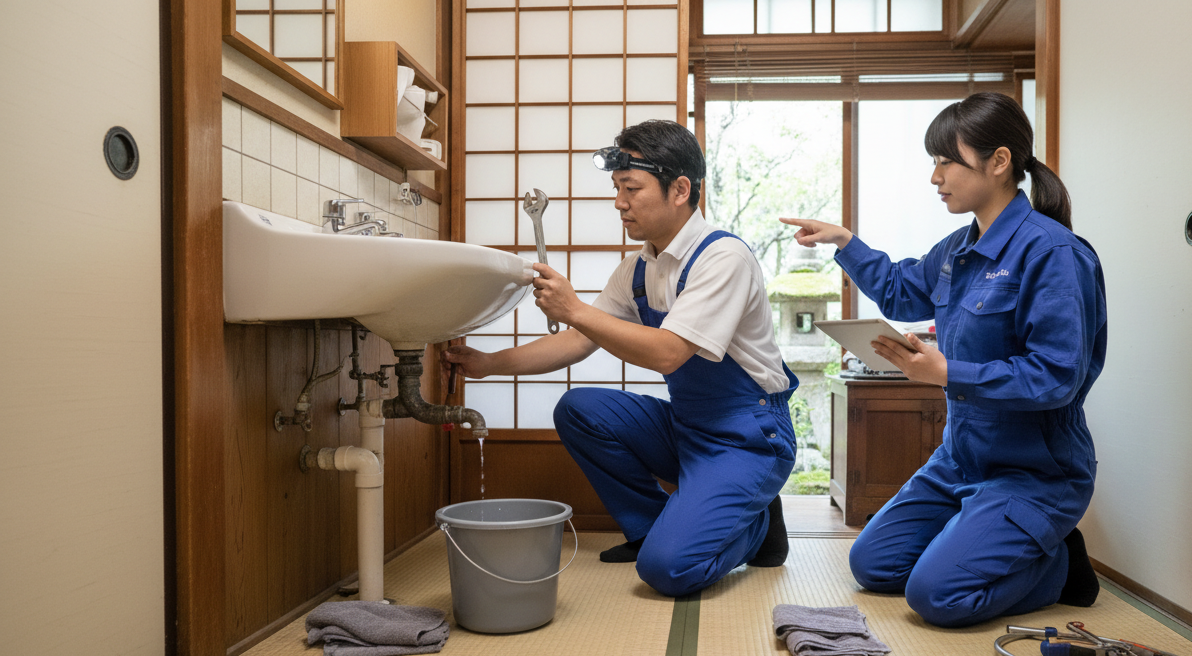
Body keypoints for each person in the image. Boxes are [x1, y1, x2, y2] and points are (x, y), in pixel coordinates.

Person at [781, 92, 1106, 628]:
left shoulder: (1055, 253)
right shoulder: (958, 248)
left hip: (1035, 472)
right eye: (934, 162)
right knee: (873, 564)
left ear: (999, 162)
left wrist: (947, 372)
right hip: (959, 460)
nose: (936, 177)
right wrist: (845, 242)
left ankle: (1061, 565)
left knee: (936, 597)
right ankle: (981, 533)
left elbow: (1057, 377)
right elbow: (902, 290)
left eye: (946, 161)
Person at [443, 120, 797, 597]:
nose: (619, 203)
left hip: (748, 435)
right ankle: (655, 528)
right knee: (580, 410)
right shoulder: (638, 268)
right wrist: (488, 363)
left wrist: (574, 308)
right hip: (688, 427)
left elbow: (670, 354)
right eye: (616, 188)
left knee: (669, 571)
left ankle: (755, 527)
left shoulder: (723, 258)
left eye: (631, 188)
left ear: (680, 189)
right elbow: (577, 339)